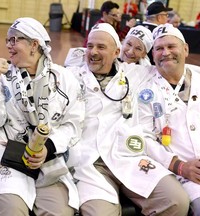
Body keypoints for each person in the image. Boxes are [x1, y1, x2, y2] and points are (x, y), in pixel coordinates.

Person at [67, 22, 189, 216]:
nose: (93, 52)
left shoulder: (135, 73)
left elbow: (174, 64)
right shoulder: (71, 75)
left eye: (101, 47)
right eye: (90, 46)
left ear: (116, 52)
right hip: (92, 163)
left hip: (129, 157)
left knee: (176, 201)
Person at [0, 17, 84, 216]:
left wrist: (47, 148)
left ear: (34, 45)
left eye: (14, 40)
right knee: (11, 211)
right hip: (8, 158)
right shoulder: (3, 76)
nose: (8, 46)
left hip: (49, 160)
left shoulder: (64, 79)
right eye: (7, 40)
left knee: (59, 212)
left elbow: (73, 124)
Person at [137, 23, 200, 215]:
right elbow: (144, 138)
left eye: (171, 46)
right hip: (181, 173)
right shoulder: (144, 90)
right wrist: (180, 166)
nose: (165, 53)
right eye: (159, 49)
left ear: (186, 49)